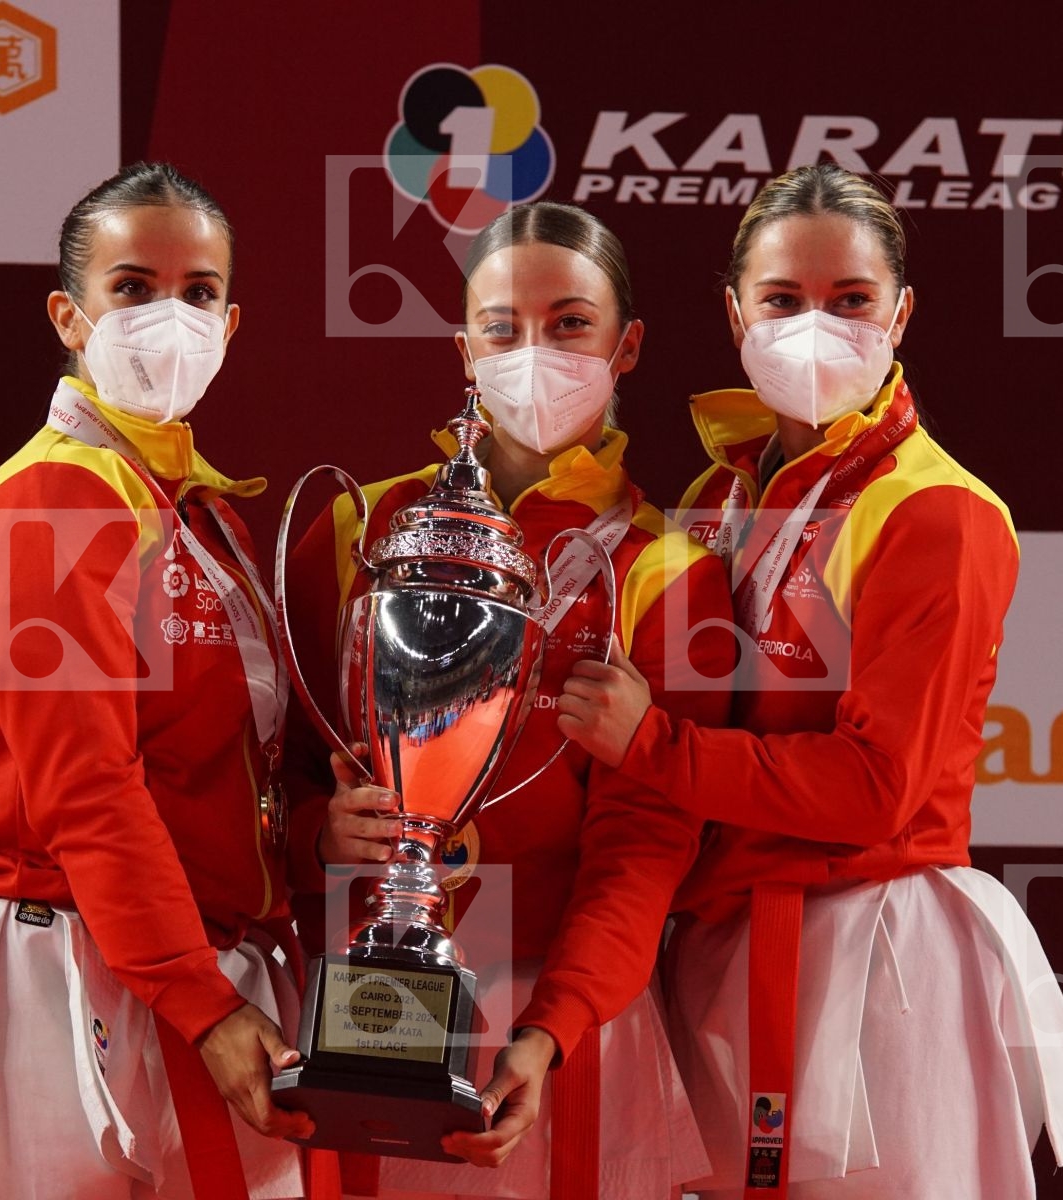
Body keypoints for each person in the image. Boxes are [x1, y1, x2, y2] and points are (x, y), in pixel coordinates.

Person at [553, 163, 1063, 1198]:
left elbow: (875, 789)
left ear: (902, 312)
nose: (817, 327)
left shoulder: (936, 513)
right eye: (783, 301)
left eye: (851, 301)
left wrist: (653, 749)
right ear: (734, 315)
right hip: (723, 954)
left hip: (879, 962)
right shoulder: (722, 501)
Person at [0, 163, 314, 1200]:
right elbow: (83, 786)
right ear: (69, 315)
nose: (168, 317)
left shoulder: (199, 516)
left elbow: (214, 782)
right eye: (132, 288)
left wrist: (318, 838)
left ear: (232, 322)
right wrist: (205, 1004)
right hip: (44, 976)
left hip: (177, 962)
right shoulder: (55, 499)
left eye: (199, 292)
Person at [281, 201, 735, 1199]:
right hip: (363, 1010)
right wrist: (320, 832)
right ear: (463, 346)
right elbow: (280, 779)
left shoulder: (664, 572)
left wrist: (550, 1031)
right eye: (503, 327)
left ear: (629, 345)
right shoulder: (362, 529)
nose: (536, 352)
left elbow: (643, 846)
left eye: (571, 323)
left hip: (558, 1022)